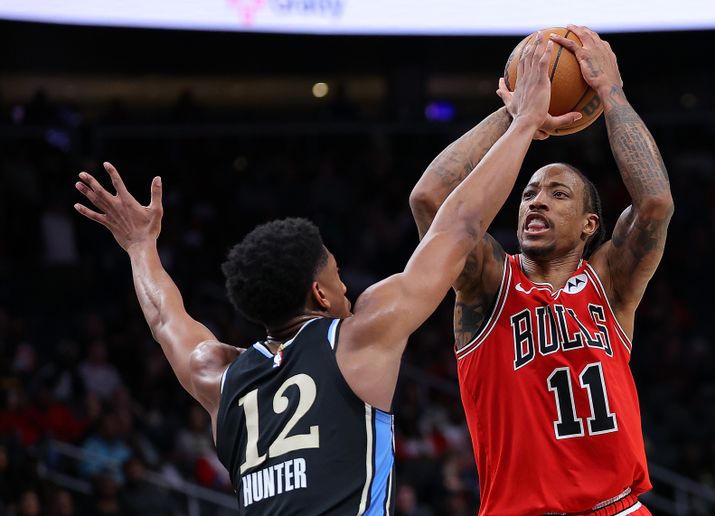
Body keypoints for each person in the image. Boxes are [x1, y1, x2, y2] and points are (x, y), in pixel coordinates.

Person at [73, 34, 571, 515]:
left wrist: (140, 248)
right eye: (336, 273)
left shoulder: (218, 376)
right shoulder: (359, 338)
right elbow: (460, 225)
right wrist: (523, 122)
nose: (346, 285)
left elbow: (165, 320)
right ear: (319, 293)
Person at [409, 25, 673, 515]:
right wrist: (519, 115)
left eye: (557, 194)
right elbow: (429, 198)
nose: (536, 202)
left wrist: (610, 91)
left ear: (591, 224)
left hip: (618, 508)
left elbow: (655, 202)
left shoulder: (610, 284)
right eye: (529, 193)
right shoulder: (487, 284)